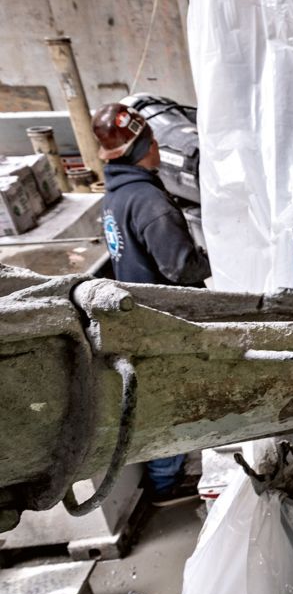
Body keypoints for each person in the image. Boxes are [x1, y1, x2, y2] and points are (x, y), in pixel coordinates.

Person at [92, 102, 211, 503]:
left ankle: (164, 475)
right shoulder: (150, 203)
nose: (158, 148)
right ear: (144, 148)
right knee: (175, 400)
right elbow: (180, 268)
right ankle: (166, 484)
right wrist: (220, 255)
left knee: (159, 398)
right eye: (154, 141)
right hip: (165, 316)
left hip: (138, 308)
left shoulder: (115, 198)